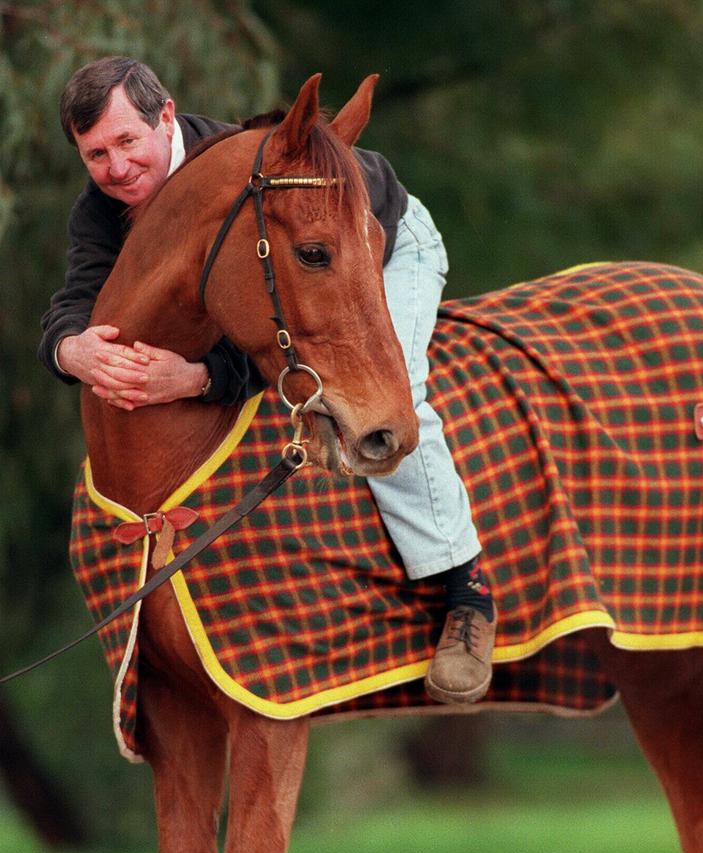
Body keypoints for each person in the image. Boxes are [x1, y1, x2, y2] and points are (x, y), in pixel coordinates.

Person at [40, 56, 497, 703]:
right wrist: (72, 350)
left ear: (165, 117)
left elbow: (263, 323)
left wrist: (198, 378)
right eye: (95, 155)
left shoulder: (234, 175)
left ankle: (466, 593)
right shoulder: (104, 206)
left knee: (394, 396)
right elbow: (78, 296)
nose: (116, 168)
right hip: (311, 256)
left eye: (126, 143)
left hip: (384, 239)